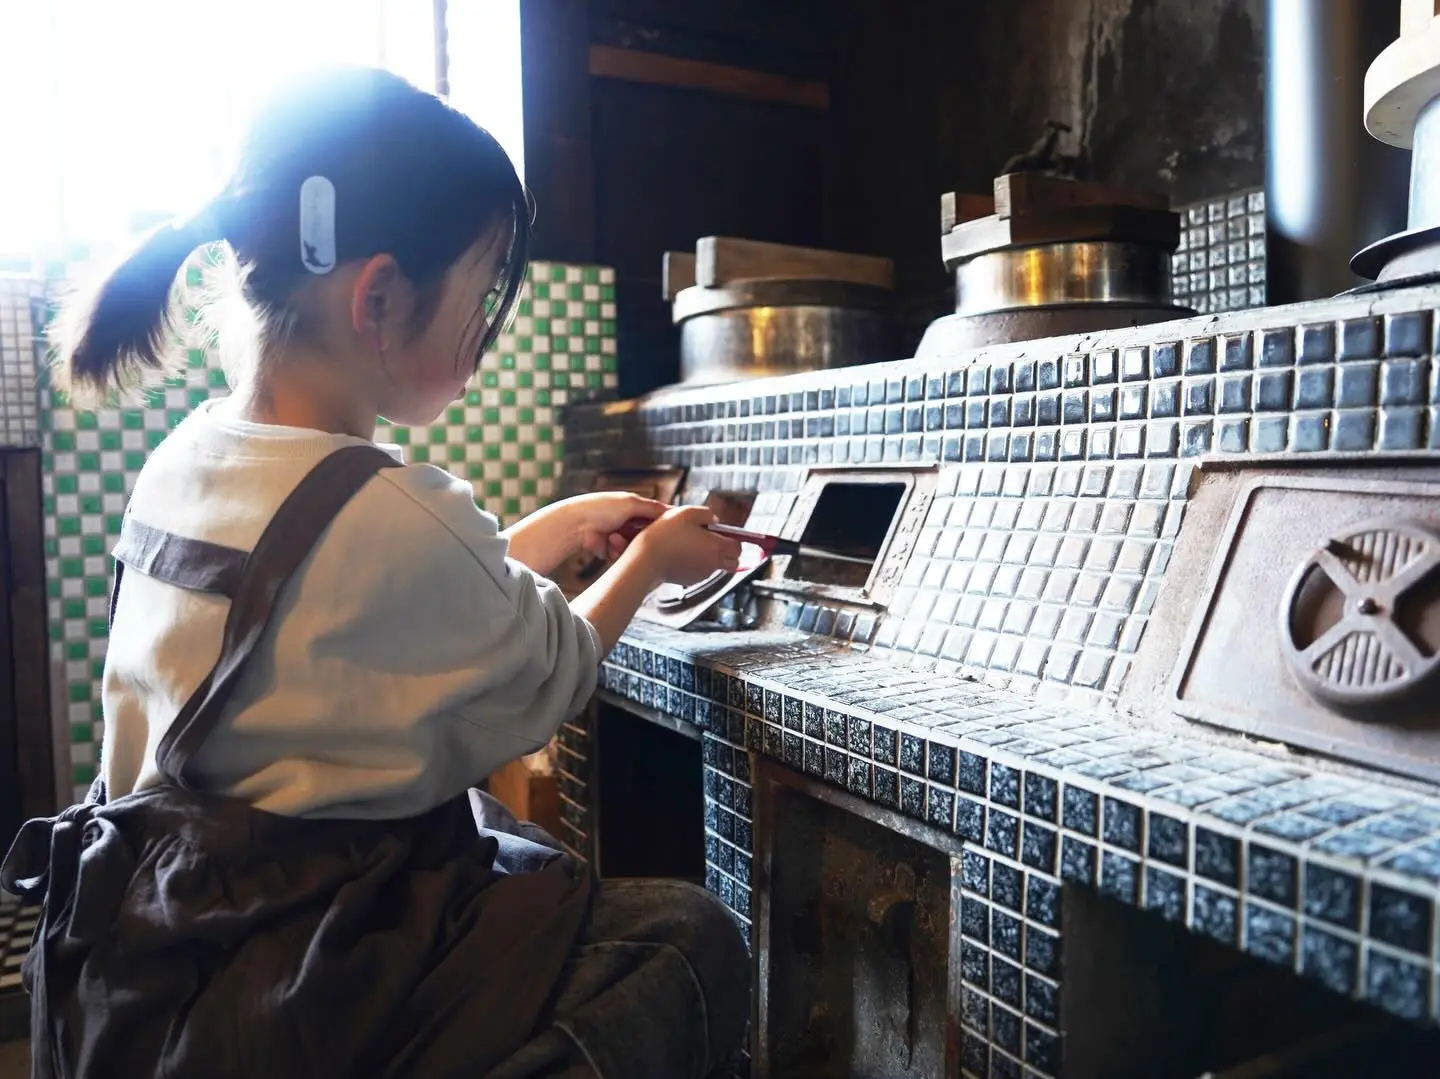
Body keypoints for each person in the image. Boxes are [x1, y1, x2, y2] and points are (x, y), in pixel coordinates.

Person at [1, 67, 749, 1079]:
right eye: (483, 294)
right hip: (295, 984)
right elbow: (560, 663)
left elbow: (355, 595)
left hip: (150, 951)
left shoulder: (191, 460)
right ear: (382, 296)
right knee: (690, 941)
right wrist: (653, 561)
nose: (486, 331)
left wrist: (561, 527)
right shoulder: (396, 511)